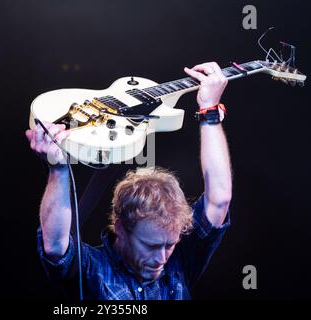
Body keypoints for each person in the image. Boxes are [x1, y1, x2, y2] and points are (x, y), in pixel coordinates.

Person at [25, 62, 232, 300]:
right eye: (151, 246)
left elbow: (220, 199)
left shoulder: (179, 260)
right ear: (121, 228)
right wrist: (58, 169)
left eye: (169, 245)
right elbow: (55, 247)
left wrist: (210, 110)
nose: (162, 258)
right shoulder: (93, 269)